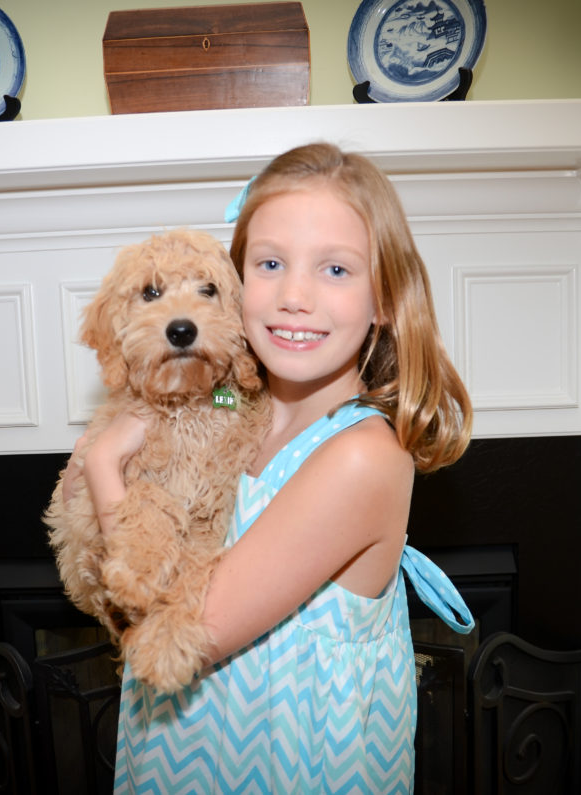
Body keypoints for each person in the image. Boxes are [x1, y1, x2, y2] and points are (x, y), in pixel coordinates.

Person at [67, 142, 475, 793]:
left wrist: (105, 466)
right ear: (234, 284)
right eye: (270, 263)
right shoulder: (233, 412)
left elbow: (182, 635)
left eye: (336, 269)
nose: (293, 295)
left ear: (386, 301)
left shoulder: (361, 458)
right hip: (184, 757)